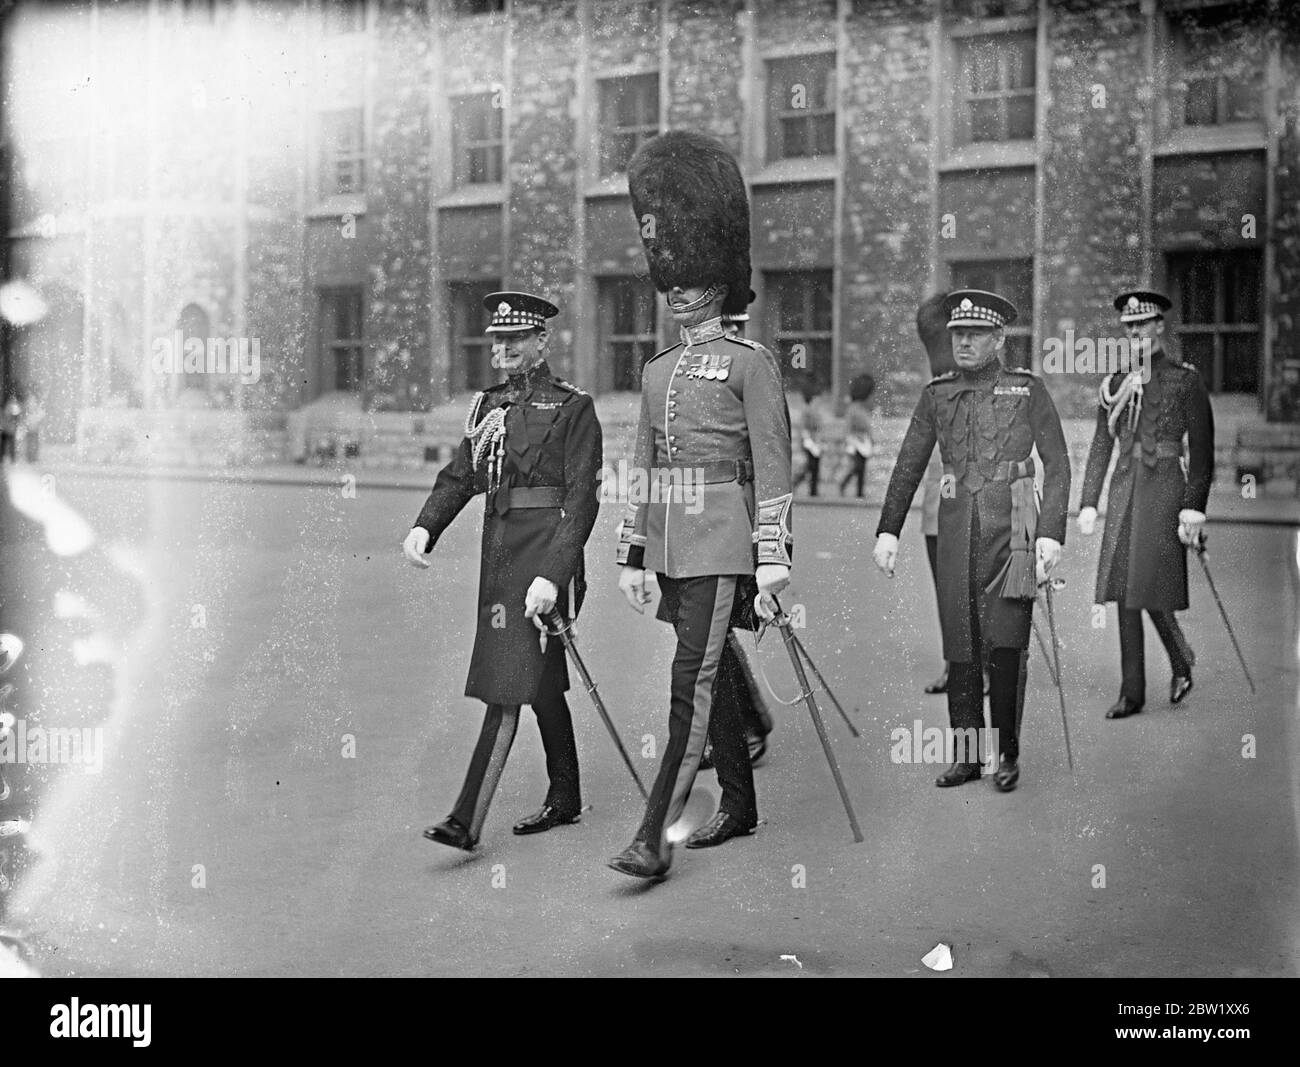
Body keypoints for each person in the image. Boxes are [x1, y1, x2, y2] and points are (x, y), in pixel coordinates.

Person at [610, 131, 793, 878]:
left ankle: (654, 836)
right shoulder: (658, 371)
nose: (679, 290)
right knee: (707, 674)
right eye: (672, 279)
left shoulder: (751, 365)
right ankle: (739, 804)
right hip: (676, 546)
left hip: (724, 539)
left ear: (719, 281)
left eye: (692, 279)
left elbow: (774, 465)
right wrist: (631, 552)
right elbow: (645, 465)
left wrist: (773, 554)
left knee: (690, 681)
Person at [403, 291, 603, 851]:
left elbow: (582, 500)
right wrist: (427, 526)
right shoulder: (487, 406)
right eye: (499, 340)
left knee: (507, 686)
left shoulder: (572, 407)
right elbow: (461, 476)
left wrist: (554, 577)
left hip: (545, 559)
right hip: (500, 559)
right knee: (539, 686)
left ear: (542, 341)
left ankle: (466, 819)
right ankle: (565, 797)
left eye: (517, 339)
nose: (505, 349)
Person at [872, 290, 1070, 793]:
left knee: (1006, 645)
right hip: (957, 531)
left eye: (975, 334)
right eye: (957, 334)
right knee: (960, 644)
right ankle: (966, 755)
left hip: (1016, 532)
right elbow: (909, 464)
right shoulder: (937, 394)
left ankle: (1006, 753)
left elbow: (1059, 463)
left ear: (999, 338)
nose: (963, 342)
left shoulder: (1027, 391)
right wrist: (888, 530)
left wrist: (1049, 534)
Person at [1077, 289, 1214, 719]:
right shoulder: (1115, 383)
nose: (1136, 332)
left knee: (1147, 583)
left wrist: (1194, 506)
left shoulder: (1184, 379)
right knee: (1124, 588)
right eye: (1129, 326)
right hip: (1124, 490)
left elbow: (1204, 450)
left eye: (1143, 324)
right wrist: (1087, 501)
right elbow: (1102, 443)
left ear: (1160, 326)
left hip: (1166, 490)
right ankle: (1131, 692)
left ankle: (1179, 659)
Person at [839, 373, 874, 499]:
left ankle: (860, 491)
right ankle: (844, 482)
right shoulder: (853, 408)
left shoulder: (862, 408)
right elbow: (848, 426)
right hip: (855, 441)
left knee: (861, 468)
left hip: (863, 442)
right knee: (857, 466)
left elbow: (868, 427)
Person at [794, 384, 823, 497]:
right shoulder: (807, 412)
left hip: (815, 442)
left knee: (813, 467)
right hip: (809, 443)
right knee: (810, 467)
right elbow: (804, 428)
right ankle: (809, 488)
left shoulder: (814, 411)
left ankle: (813, 490)